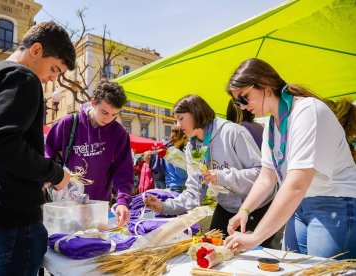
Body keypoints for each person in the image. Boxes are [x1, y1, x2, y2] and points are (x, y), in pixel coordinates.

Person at [0, 21, 74, 275]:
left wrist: (31, 173)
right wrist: (53, 173)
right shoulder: (23, 77)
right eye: (54, 68)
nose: (53, 78)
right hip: (8, 220)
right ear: (35, 50)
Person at [224, 58, 356, 259]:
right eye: (237, 102)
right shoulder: (271, 124)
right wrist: (244, 210)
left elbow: (296, 183)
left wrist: (255, 237)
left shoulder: (307, 111)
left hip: (333, 203)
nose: (241, 107)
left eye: (244, 98)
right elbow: (266, 177)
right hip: (298, 206)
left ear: (265, 86)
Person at [145, 95, 276, 246]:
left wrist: (222, 176)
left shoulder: (233, 132)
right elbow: (194, 191)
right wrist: (164, 206)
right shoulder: (192, 146)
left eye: (180, 118)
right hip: (227, 206)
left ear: (195, 113)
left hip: (258, 206)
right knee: (213, 250)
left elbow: (261, 174)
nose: (178, 125)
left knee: (250, 258)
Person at [45, 79, 134, 227]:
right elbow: (48, 152)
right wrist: (53, 176)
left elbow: (123, 171)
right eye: (104, 112)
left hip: (98, 206)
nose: (108, 119)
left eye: (114, 115)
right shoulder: (69, 123)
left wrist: (122, 202)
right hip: (66, 205)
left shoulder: (118, 133)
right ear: (93, 103)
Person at [164, 127, 188, 193]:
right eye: (186, 138)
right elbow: (180, 173)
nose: (187, 141)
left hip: (170, 184)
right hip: (179, 185)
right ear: (183, 137)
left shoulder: (168, 149)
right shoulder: (176, 152)